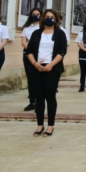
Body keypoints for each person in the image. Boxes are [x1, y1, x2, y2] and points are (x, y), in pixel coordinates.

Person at [26, 9, 67, 137]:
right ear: (43, 18)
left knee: (50, 97)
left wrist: (50, 65)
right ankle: (39, 125)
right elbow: (29, 51)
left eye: (52, 16)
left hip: (52, 69)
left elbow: (62, 52)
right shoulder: (37, 33)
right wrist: (35, 63)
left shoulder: (60, 34)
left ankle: (50, 126)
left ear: (56, 19)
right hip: (37, 68)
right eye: (47, 16)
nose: (49, 18)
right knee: (39, 98)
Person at [21, 8, 42, 111]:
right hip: (28, 55)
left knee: (39, 79)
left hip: (40, 56)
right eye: (34, 14)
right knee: (31, 80)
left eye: (37, 14)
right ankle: (32, 101)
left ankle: (39, 102)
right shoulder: (26, 29)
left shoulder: (43, 28)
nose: (35, 16)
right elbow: (23, 42)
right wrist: (30, 50)